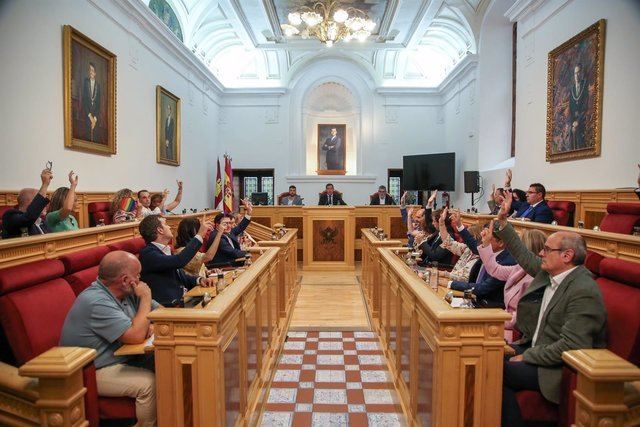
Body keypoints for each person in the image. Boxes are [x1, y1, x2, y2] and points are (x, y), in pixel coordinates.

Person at [495, 192, 607, 427]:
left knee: (493, 371)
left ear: (567, 255)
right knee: (481, 356)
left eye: (547, 250)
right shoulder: (552, 272)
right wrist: (504, 221)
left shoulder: (582, 290)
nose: (541, 253)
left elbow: (571, 346)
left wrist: (527, 355)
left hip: (556, 370)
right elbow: (524, 256)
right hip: (535, 349)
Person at [59, 251, 159, 426]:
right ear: (126, 280)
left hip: (124, 358)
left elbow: (163, 314)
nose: (141, 280)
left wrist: (148, 324)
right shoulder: (95, 300)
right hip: (92, 370)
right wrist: (146, 298)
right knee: (148, 384)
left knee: (169, 363)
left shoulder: (128, 292)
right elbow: (135, 336)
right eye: (138, 275)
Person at [477, 220, 546, 342]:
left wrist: (492, 319)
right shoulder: (519, 268)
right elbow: (495, 269)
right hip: (504, 323)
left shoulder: (538, 278)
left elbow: (522, 318)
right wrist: (486, 244)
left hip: (516, 333)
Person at [138, 215, 215, 306]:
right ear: (160, 230)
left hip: (185, 300)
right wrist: (199, 235)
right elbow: (179, 261)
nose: (169, 227)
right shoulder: (148, 254)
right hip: (169, 307)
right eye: (166, 224)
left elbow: (180, 276)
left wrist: (199, 280)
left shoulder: (164, 250)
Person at [447, 210, 517, 307]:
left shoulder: (507, 261)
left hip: (489, 308)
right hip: (473, 299)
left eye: (486, 237)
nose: (482, 240)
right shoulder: (487, 249)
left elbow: (484, 288)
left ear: (501, 243)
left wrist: (451, 283)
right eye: (483, 234)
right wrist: (459, 225)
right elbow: (472, 243)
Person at [2, 169, 52, 238]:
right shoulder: (10, 216)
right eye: (41, 200)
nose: (45, 204)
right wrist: (45, 184)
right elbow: (28, 218)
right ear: (31, 203)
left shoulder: (42, 222)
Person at [438, 207, 482, 282]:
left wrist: (444, 274)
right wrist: (442, 224)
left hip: (458, 287)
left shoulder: (481, 256)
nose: (464, 239)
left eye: (468, 236)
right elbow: (448, 242)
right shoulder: (467, 248)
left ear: (474, 237)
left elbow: (465, 279)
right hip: (449, 281)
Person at [205, 199, 253, 266]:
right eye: (225, 224)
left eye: (229, 223)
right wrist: (251, 252)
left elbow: (240, 227)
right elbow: (233, 252)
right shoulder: (217, 236)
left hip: (233, 262)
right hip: (223, 266)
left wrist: (248, 212)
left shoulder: (227, 231)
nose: (229, 226)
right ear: (217, 225)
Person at [568, 63, 588, 150]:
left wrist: (578, 121)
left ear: (581, 73)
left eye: (578, 72)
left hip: (582, 118)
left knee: (578, 132)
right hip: (574, 121)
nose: (577, 75)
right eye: (575, 73)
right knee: (571, 132)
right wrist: (573, 122)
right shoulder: (572, 89)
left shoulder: (585, 85)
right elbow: (571, 108)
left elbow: (585, 106)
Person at [81, 62, 101, 142]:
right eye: (90, 70)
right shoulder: (86, 82)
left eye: (92, 70)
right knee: (87, 137)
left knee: (95, 138)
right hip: (87, 115)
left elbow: (98, 103)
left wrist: (95, 119)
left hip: (95, 117)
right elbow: (84, 100)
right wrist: (90, 117)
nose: (91, 72)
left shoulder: (98, 86)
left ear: (95, 73)